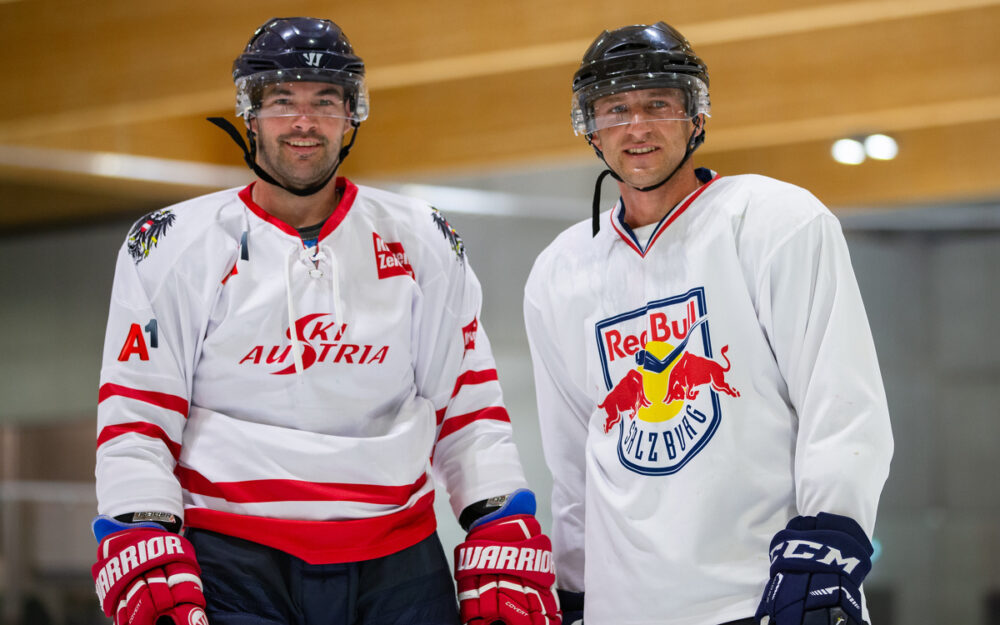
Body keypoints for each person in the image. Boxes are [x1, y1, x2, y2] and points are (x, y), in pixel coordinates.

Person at [91, 17, 558, 625]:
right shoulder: (172, 244)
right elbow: (137, 417)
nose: (304, 121)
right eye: (283, 100)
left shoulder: (424, 239)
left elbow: (467, 405)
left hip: (398, 562)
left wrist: (500, 519)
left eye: (325, 101)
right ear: (250, 114)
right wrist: (138, 531)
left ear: (351, 115)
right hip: (233, 562)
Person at [523, 21, 893, 625]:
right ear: (590, 126)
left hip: (767, 597)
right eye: (615, 108)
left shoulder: (776, 221)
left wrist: (829, 549)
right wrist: (576, 589)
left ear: (695, 116)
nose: (636, 127)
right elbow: (572, 460)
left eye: (657, 105)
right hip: (625, 611)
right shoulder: (559, 272)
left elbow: (840, 402)